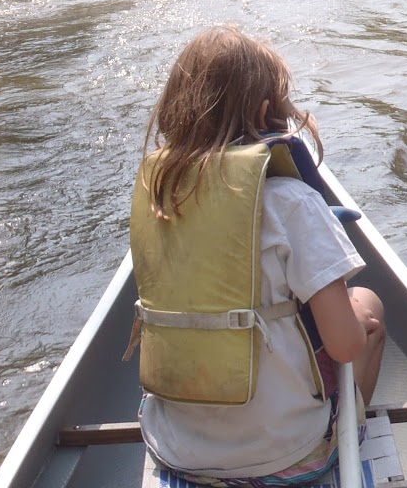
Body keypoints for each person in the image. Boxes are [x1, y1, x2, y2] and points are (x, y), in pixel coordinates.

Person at [131, 27, 385, 484]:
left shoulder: (160, 196)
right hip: (286, 456)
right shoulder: (293, 202)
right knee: (368, 307)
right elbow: (346, 345)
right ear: (267, 111)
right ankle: (342, 432)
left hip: (176, 447)